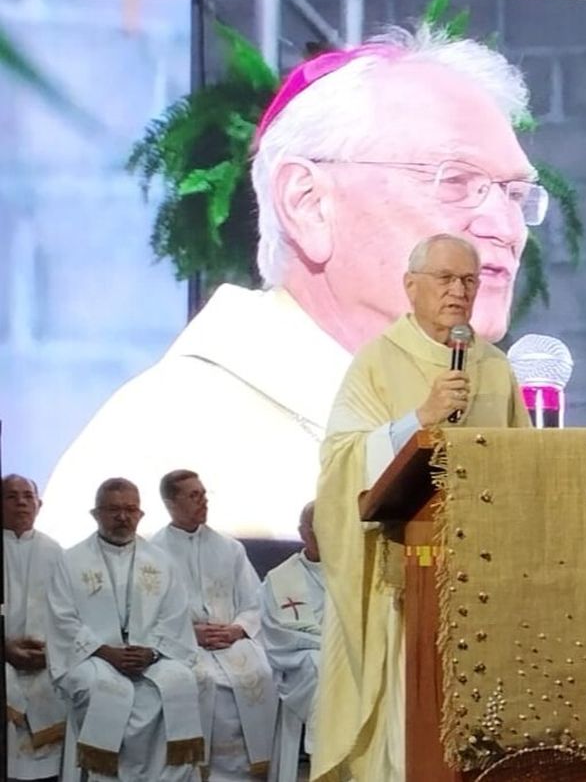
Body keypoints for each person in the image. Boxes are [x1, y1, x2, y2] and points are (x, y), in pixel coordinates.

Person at [42, 23, 546, 544]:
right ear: (308, 203)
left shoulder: (480, 415)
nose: (506, 228)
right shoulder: (174, 437)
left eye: (514, 195)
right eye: (457, 181)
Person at [314, 233, 531, 781]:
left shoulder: (495, 367)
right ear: (411, 286)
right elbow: (342, 459)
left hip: (483, 575)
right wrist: (420, 418)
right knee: (412, 716)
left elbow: (524, 459)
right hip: (408, 573)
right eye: (445, 279)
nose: (459, 291)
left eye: (469, 281)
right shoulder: (377, 361)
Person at [46, 478, 207, 781]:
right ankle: (106, 776)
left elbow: (175, 616)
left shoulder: (161, 561)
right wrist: (108, 652)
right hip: (94, 657)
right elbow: (62, 619)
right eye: (114, 510)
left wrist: (152, 652)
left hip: (150, 655)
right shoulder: (71, 561)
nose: (123, 517)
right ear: (96, 514)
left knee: (181, 680)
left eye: (130, 510)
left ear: (141, 514)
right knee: (98, 688)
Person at [149, 470, 276, 780]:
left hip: (230, 639)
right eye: (194, 496)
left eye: (204, 494)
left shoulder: (230, 548)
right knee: (198, 680)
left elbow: (255, 600)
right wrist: (188, 633)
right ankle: (201, 773)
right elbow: (146, 613)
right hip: (183, 644)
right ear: (170, 503)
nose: (203, 501)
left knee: (261, 673)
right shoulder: (152, 553)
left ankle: (251, 771)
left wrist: (237, 629)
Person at [4, 473, 67, 780]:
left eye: (28, 496)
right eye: (12, 496)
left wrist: (52, 650)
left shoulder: (56, 552)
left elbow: (71, 614)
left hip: (46, 657)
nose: (21, 503)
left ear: (39, 504)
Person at [260, 502, 325, 757]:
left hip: (344, 650)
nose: (322, 535)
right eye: (315, 529)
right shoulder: (280, 579)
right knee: (321, 666)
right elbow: (278, 633)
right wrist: (327, 643)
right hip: (297, 660)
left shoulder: (350, 570)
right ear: (302, 532)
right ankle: (323, 755)